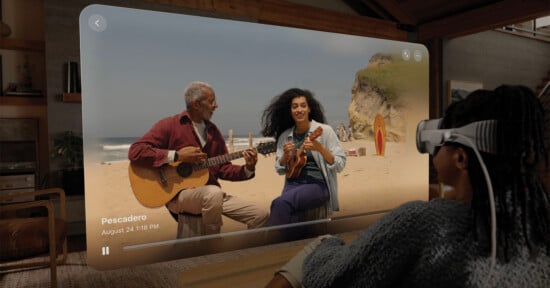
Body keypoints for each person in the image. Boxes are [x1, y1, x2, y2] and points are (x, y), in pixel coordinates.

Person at [266, 85, 550, 287]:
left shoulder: (424, 222)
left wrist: (325, 245)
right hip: (294, 186)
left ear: (461, 157)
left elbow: (334, 277)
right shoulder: (537, 224)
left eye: (441, 144)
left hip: (318, 194)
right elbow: (281, 167)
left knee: (317, 247)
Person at [128, 81, 268, 234]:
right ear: (196, 104)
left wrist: (248, 168)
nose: (216, 106)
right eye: (211, 101)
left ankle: (246, 256)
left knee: (260, 216)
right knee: (213, 193)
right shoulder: (170, 125)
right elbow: (136, 151)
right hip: (178, 196)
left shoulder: (213, 131)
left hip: (211, 197)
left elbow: (223, 168)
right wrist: (177, 156)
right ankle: (212, 240)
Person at [260, 88, 346, 226]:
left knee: (279, 203)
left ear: (309, 109)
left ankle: (271, 243)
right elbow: (279, 168)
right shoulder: (285, 136)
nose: (299, 110)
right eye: (295, 107)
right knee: (291, 217)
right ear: (290, 111)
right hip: (292, 184)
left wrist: (320, 148)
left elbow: (340, 163)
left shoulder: (325, 131)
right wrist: (285, 157)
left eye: (303, 105)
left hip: (317, 184)